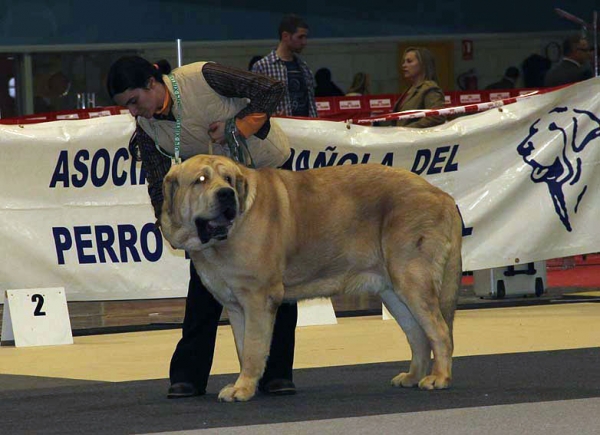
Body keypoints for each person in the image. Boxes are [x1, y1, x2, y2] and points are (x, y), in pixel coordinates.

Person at [106, 56, 298, 398]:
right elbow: (157, 185)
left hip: (267, 176)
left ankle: (276, 374)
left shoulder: (204, 75)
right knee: (205, 280)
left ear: (152, 84)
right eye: (126, 107)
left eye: (134, 102)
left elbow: (271, 89)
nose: (134, 112)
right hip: (212, 200)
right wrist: (171, 225)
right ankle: (189, 376)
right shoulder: (148, 129)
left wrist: (238, 126)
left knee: (270, 278)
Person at [251, 14, 318, 118]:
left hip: (305, 128)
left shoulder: (304, 68)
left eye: (305, 37)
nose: (304, 42)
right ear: (285, 36)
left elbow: (311, 104)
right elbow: (254, 104)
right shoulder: (263, 67)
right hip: (278, 129)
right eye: (300, 37)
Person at [392, 47, 445, 128]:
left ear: (422, 64)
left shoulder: (430, 88)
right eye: (404, 62)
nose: (404, 65)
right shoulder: (410, 89)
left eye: (409, 61)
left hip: (417, 138)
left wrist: (406, 130)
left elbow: (436, 117)